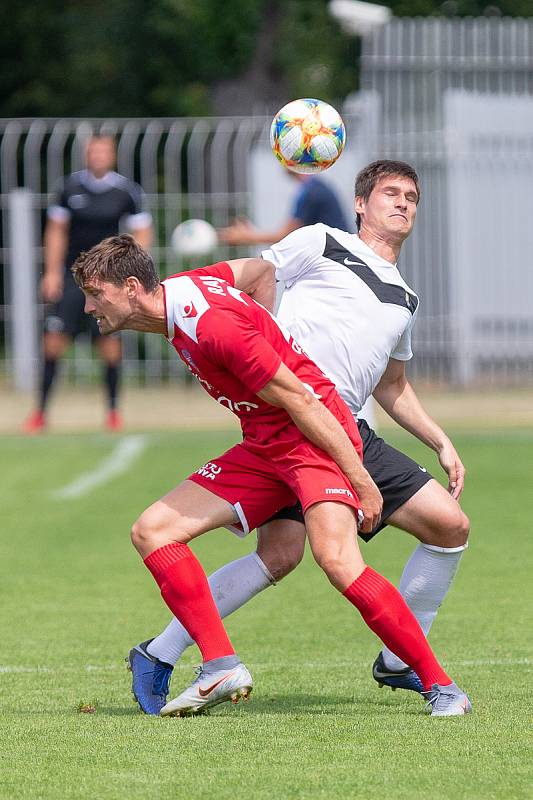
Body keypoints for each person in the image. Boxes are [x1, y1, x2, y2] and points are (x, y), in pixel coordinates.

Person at [73, 233, 471, 718]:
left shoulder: (215, 328)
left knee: (339, 561)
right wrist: (268, 327)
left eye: (97, 294)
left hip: (313, 436)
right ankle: (220, 664)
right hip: (265, 442)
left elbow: (303, 399)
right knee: (153, 531)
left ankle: (442, 687)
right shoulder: (188, 292)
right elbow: (261, 274)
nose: (90, 307)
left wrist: (360, 478)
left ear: (132, 287)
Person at [23, 135, 153, 433]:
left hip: (106, 281)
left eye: (104, 151)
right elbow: (56, 231)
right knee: (53, 341)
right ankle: (40, 413)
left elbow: (142, 232)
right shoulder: (69, 188)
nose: (98, 156)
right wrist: (52, 272)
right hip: (72, 278)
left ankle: (112, 413)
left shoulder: (125, 191)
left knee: (109, 344)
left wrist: (128, 272)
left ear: (112, 155)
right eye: (93, 151)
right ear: (86, 154)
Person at [218, 172, 349, 246]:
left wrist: (247, 236)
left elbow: (284, 236)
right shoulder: (315, 186)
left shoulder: (311, 192)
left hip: (336, 260)